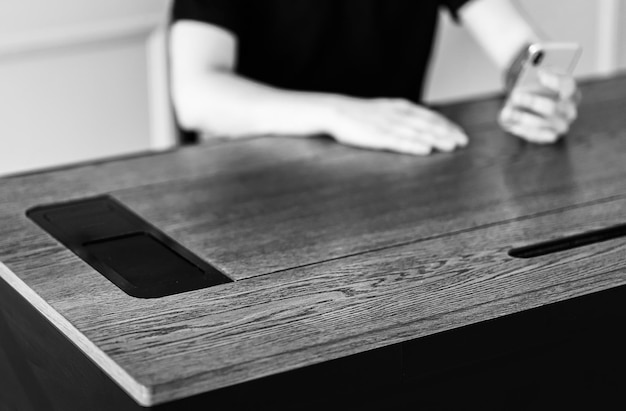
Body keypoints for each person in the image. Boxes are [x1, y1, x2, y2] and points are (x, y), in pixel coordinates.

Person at [169, 0, 580, 155]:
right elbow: (197, 94)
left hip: (393, 170)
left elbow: (518, 45)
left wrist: (542, 89)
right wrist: (339, 114)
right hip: (253, 184)